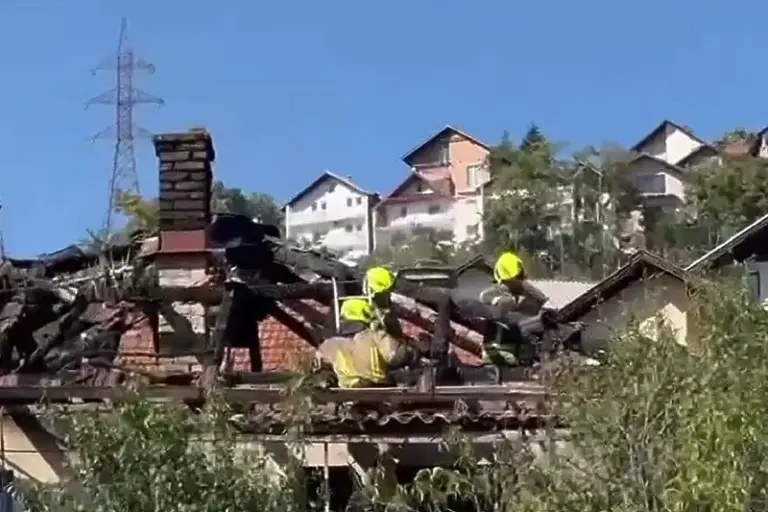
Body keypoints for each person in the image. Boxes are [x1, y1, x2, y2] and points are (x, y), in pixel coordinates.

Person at [478, 250, 549, 366]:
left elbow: (543, 300)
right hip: (509, 329)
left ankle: (536, 357)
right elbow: (484, 297)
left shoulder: (526, 288)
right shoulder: (498, 290)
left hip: (527, 326)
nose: (512, 283)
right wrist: (498, 300)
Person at [479, 251, 549, 316]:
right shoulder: (522, 285)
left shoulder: (521, 285)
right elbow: (542, 298)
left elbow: (542, 299)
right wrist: (499, 300)